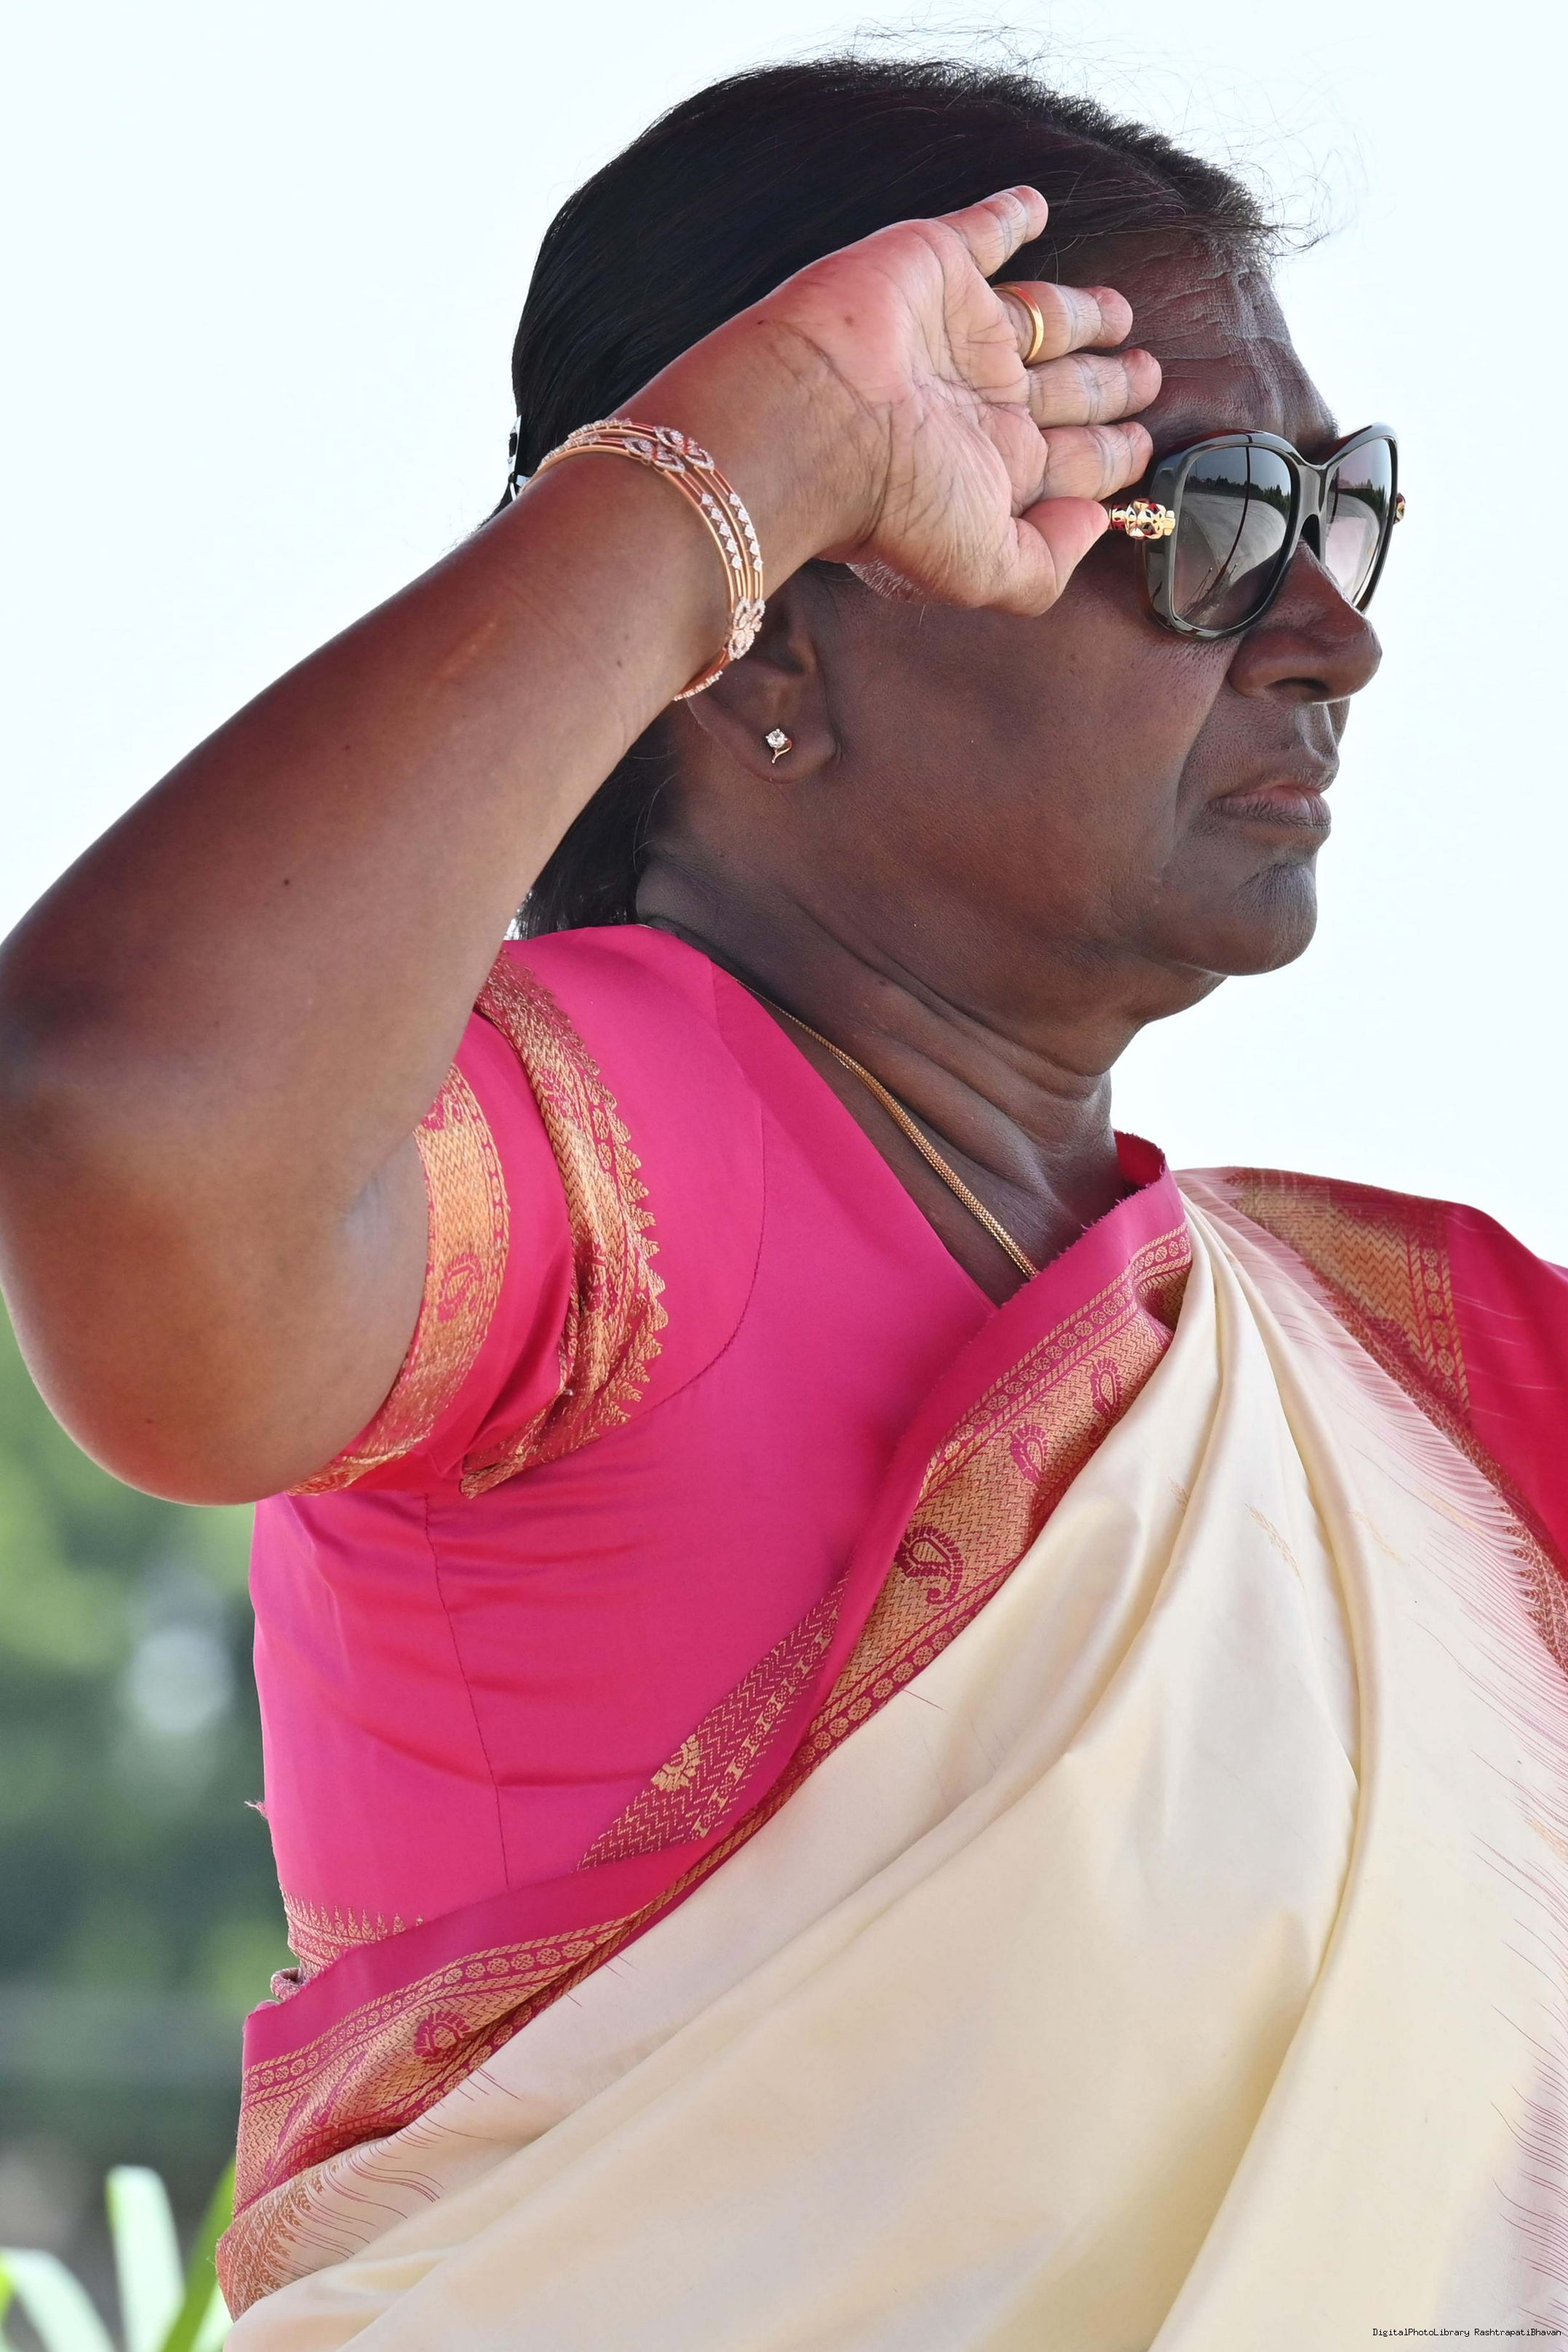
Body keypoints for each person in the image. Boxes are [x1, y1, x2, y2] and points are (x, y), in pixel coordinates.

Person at [1, 50, 1566, 2351]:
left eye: (1344, 513)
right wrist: (746, 459)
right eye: (1220, 522)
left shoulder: (1388, 1401)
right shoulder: (603, 1159)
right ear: (781, 655)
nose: (1331, 629)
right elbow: (127, 1135)